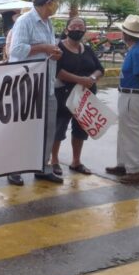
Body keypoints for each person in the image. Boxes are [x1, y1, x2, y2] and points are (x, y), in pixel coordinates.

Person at [6, 0, 63, 187]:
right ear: (48, 2)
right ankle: (14, 169)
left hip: (47, 85)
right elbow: (18, 50)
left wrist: (54, 53)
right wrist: (44, 48)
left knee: (48, 129)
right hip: (26, 87)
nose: (58, 4)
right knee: (21, 129)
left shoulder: (48, 24)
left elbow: (47, 51)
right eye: (57, 0)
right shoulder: (25, 21)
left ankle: (43, 167)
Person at [105, 15, 139, 185]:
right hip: (130, 95)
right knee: (125, 132)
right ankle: (125, 165)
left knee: (131, 133)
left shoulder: (138, 52)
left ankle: (136, 169)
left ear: (126, 34)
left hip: (133, 96)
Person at [50, 17, 104, 176]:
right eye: (74, 26)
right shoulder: (59, 48)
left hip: (85, 97)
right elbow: (57, 71)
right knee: (59, 129)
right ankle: (54, 160)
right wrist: (80, 80)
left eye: (81, 27)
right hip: (64, 96)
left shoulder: (87, 49)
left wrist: (92, 79)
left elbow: (100, 69)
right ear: (67, 29)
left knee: (81, 129)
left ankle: (76, 161)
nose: (78, 29)